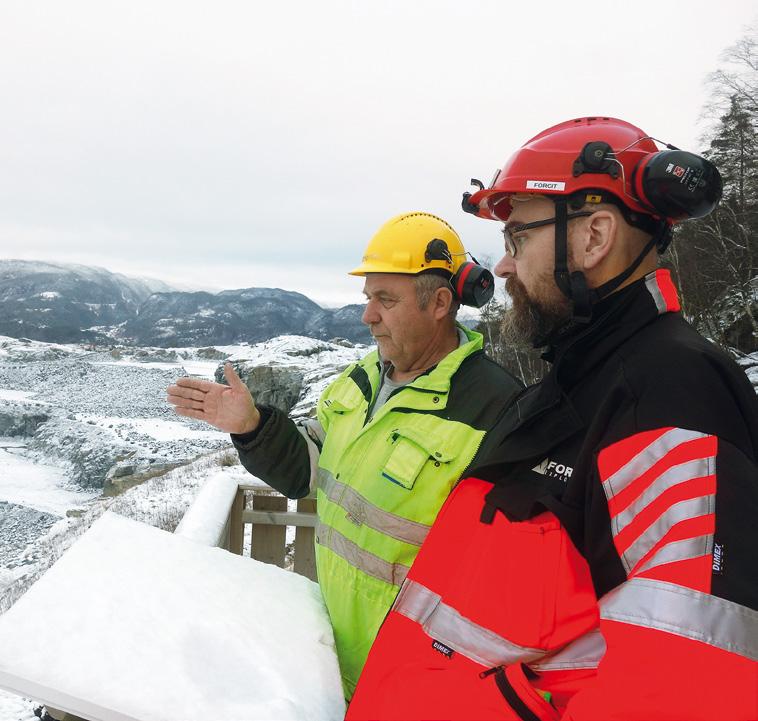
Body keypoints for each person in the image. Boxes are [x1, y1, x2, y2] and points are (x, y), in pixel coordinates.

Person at [347, 118, 758, 720]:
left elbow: (684, 685)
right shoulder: (577, 383)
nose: (505, 268)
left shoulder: (670, 395)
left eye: (517, 238)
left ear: (593, 237)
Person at [167, 211, 523, 698]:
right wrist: (251, 427)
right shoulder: (361, 380)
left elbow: (506, 578)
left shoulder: (496, 410)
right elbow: (307, 473)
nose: (367, 315)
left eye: (385, 299)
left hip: (416, 681)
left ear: (440, 303)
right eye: (367, 298)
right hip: (333, 656)